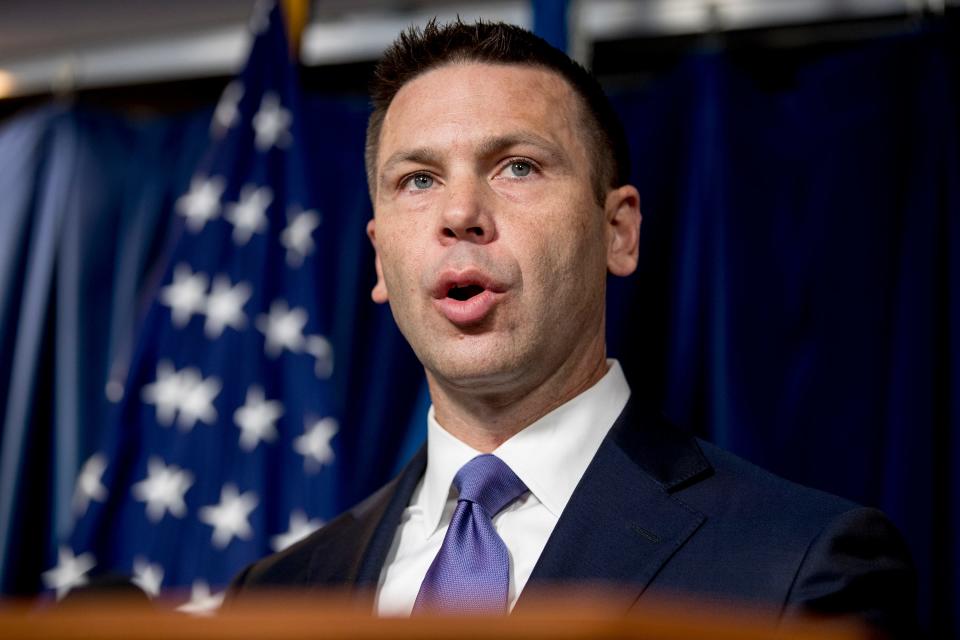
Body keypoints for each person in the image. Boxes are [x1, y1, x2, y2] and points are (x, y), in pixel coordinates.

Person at [229, 19, 915, 633]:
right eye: (418, 179)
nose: (459, 212)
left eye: (517, 167)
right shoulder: (277, 596)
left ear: (618, 232)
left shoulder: (798, 566)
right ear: (379, 255)